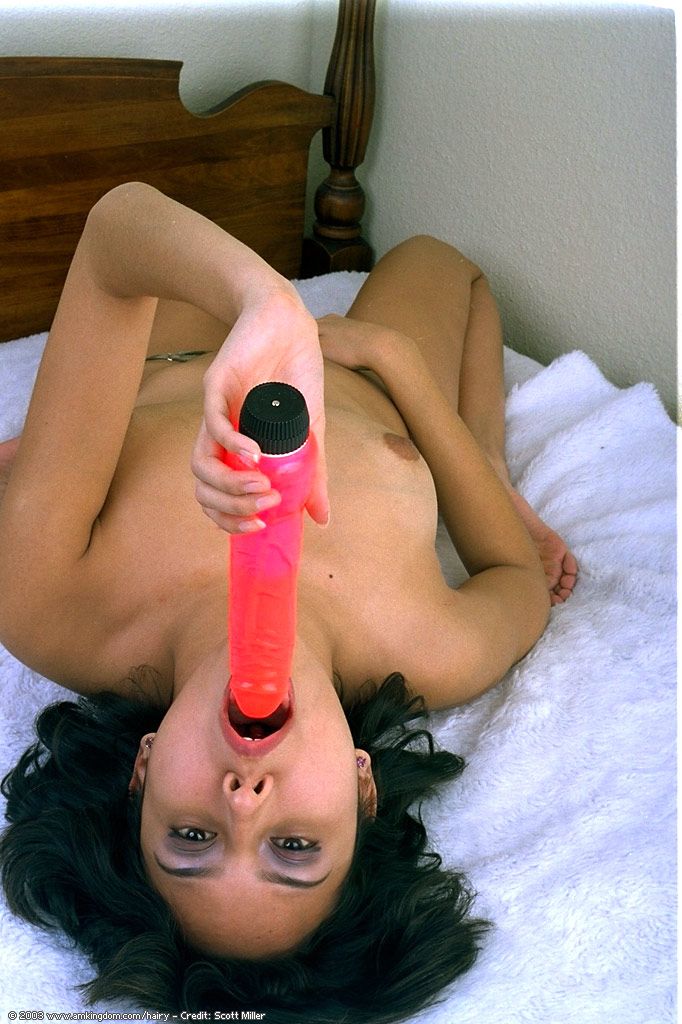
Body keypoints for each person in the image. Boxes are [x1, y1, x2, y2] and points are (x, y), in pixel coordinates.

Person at [0, 184, 577, 1019]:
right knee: (435, 260)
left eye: (191, 837)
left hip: (181, 336)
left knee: (189, 204)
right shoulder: (432, 648)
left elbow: (120, 229)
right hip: (358, 375)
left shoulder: (50, 606)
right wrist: (418, 388)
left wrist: (263, 304)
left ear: (143, 770)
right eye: (295, 846)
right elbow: (516, 574)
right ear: (363, 791)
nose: (243, 802)